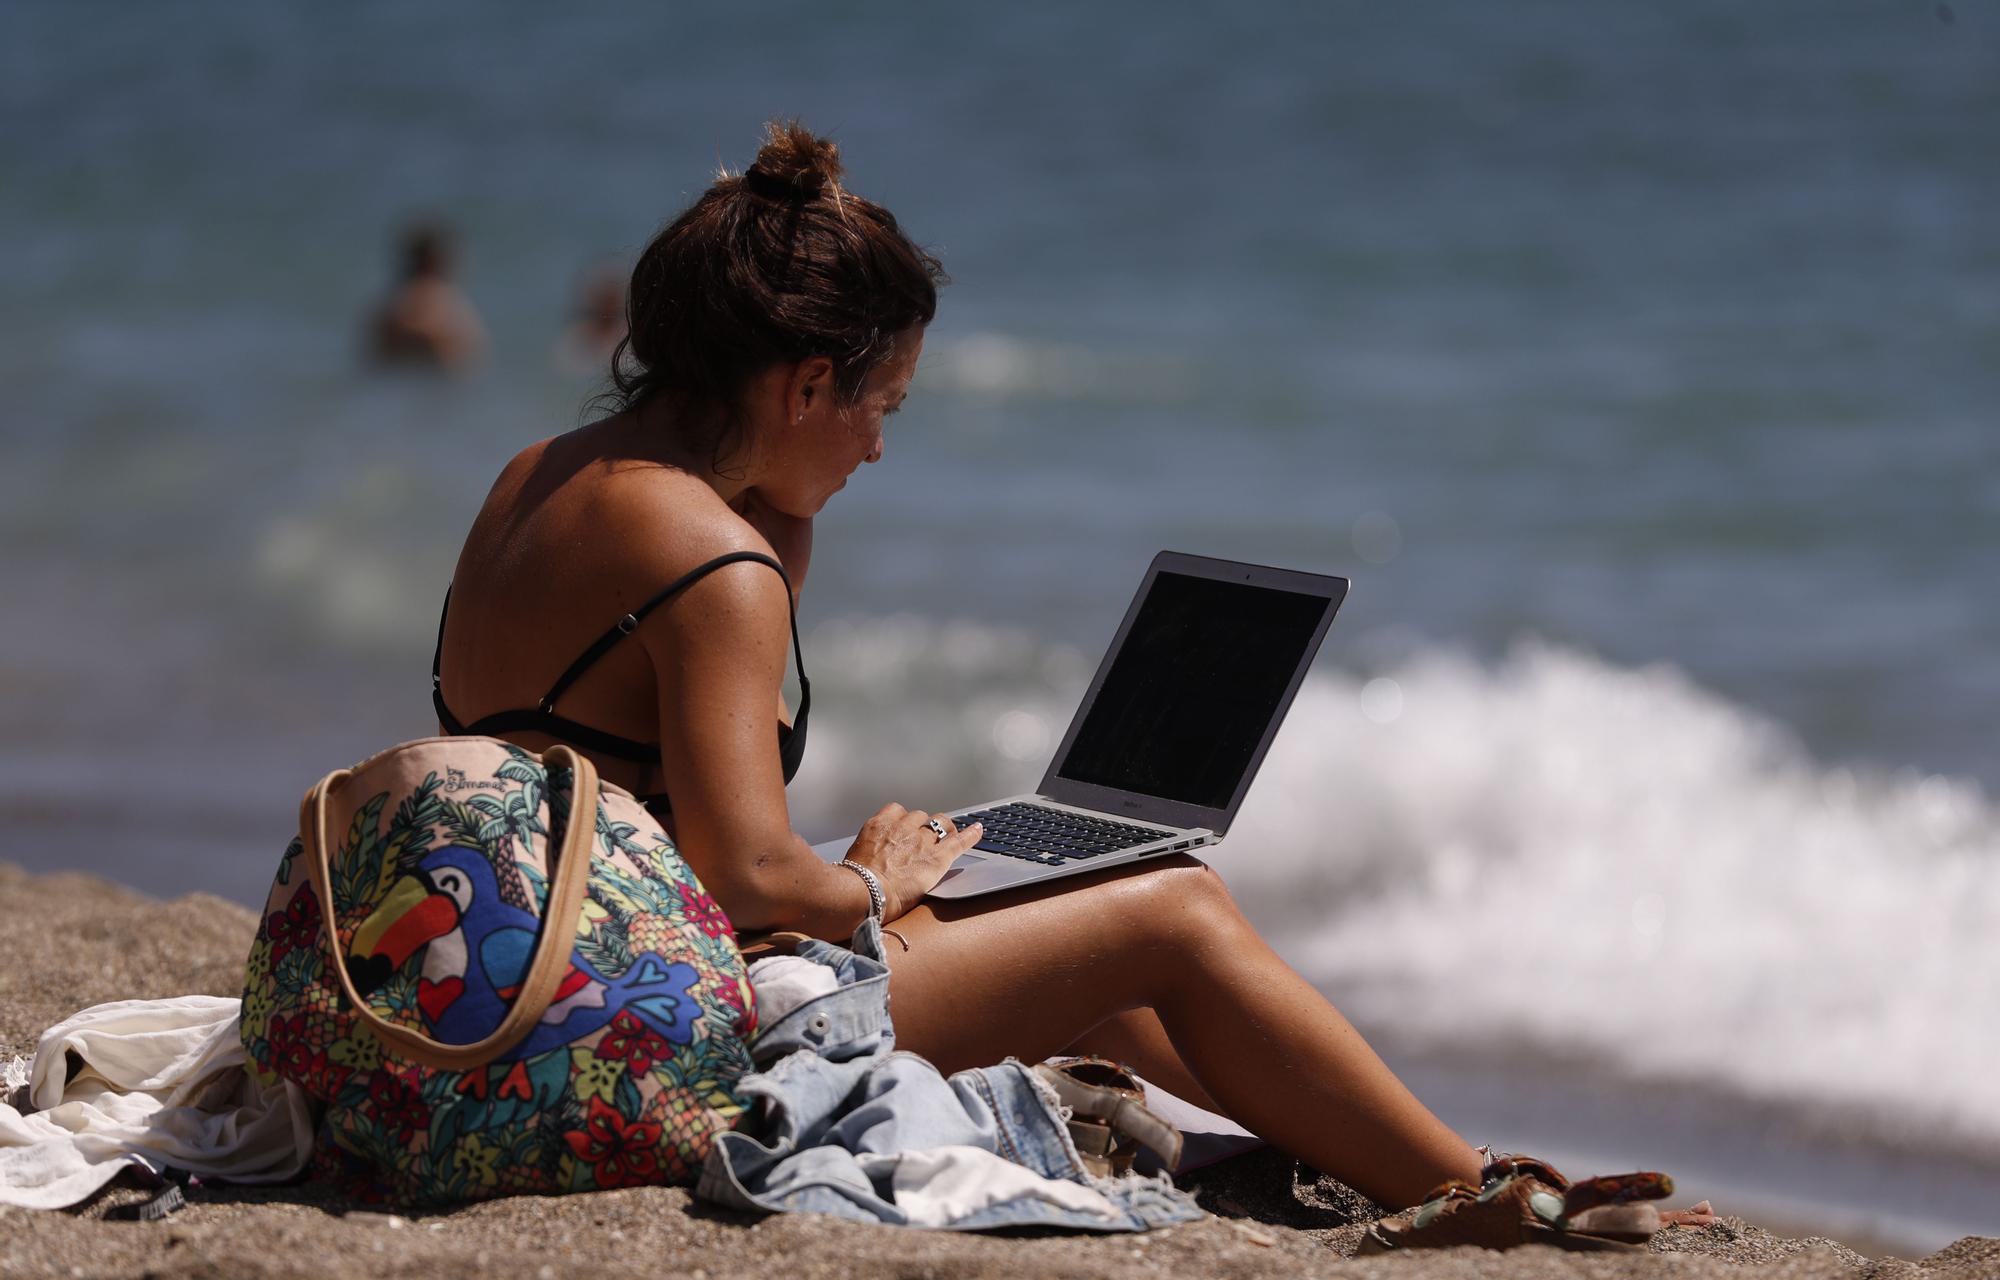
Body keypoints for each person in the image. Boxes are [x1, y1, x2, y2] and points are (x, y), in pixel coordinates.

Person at [432, 122, 1712, 1217]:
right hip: (622, 1028)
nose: (877, 450)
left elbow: (630, 805)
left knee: (1070, 941)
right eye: (882, 408)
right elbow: (742, 874)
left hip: (508, 968)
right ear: (808, 380)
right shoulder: (715, 563)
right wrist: (868, 885)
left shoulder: (534, 477)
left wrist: (786, 545)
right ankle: (1482, 1190)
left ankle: (1391, 1161)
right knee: (1170, 907)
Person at [366, 221, 489, 372]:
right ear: (434, 259)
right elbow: (427, 333)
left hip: (395, 385)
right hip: (433, 385)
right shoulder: (429, 293)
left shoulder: (392, 299)